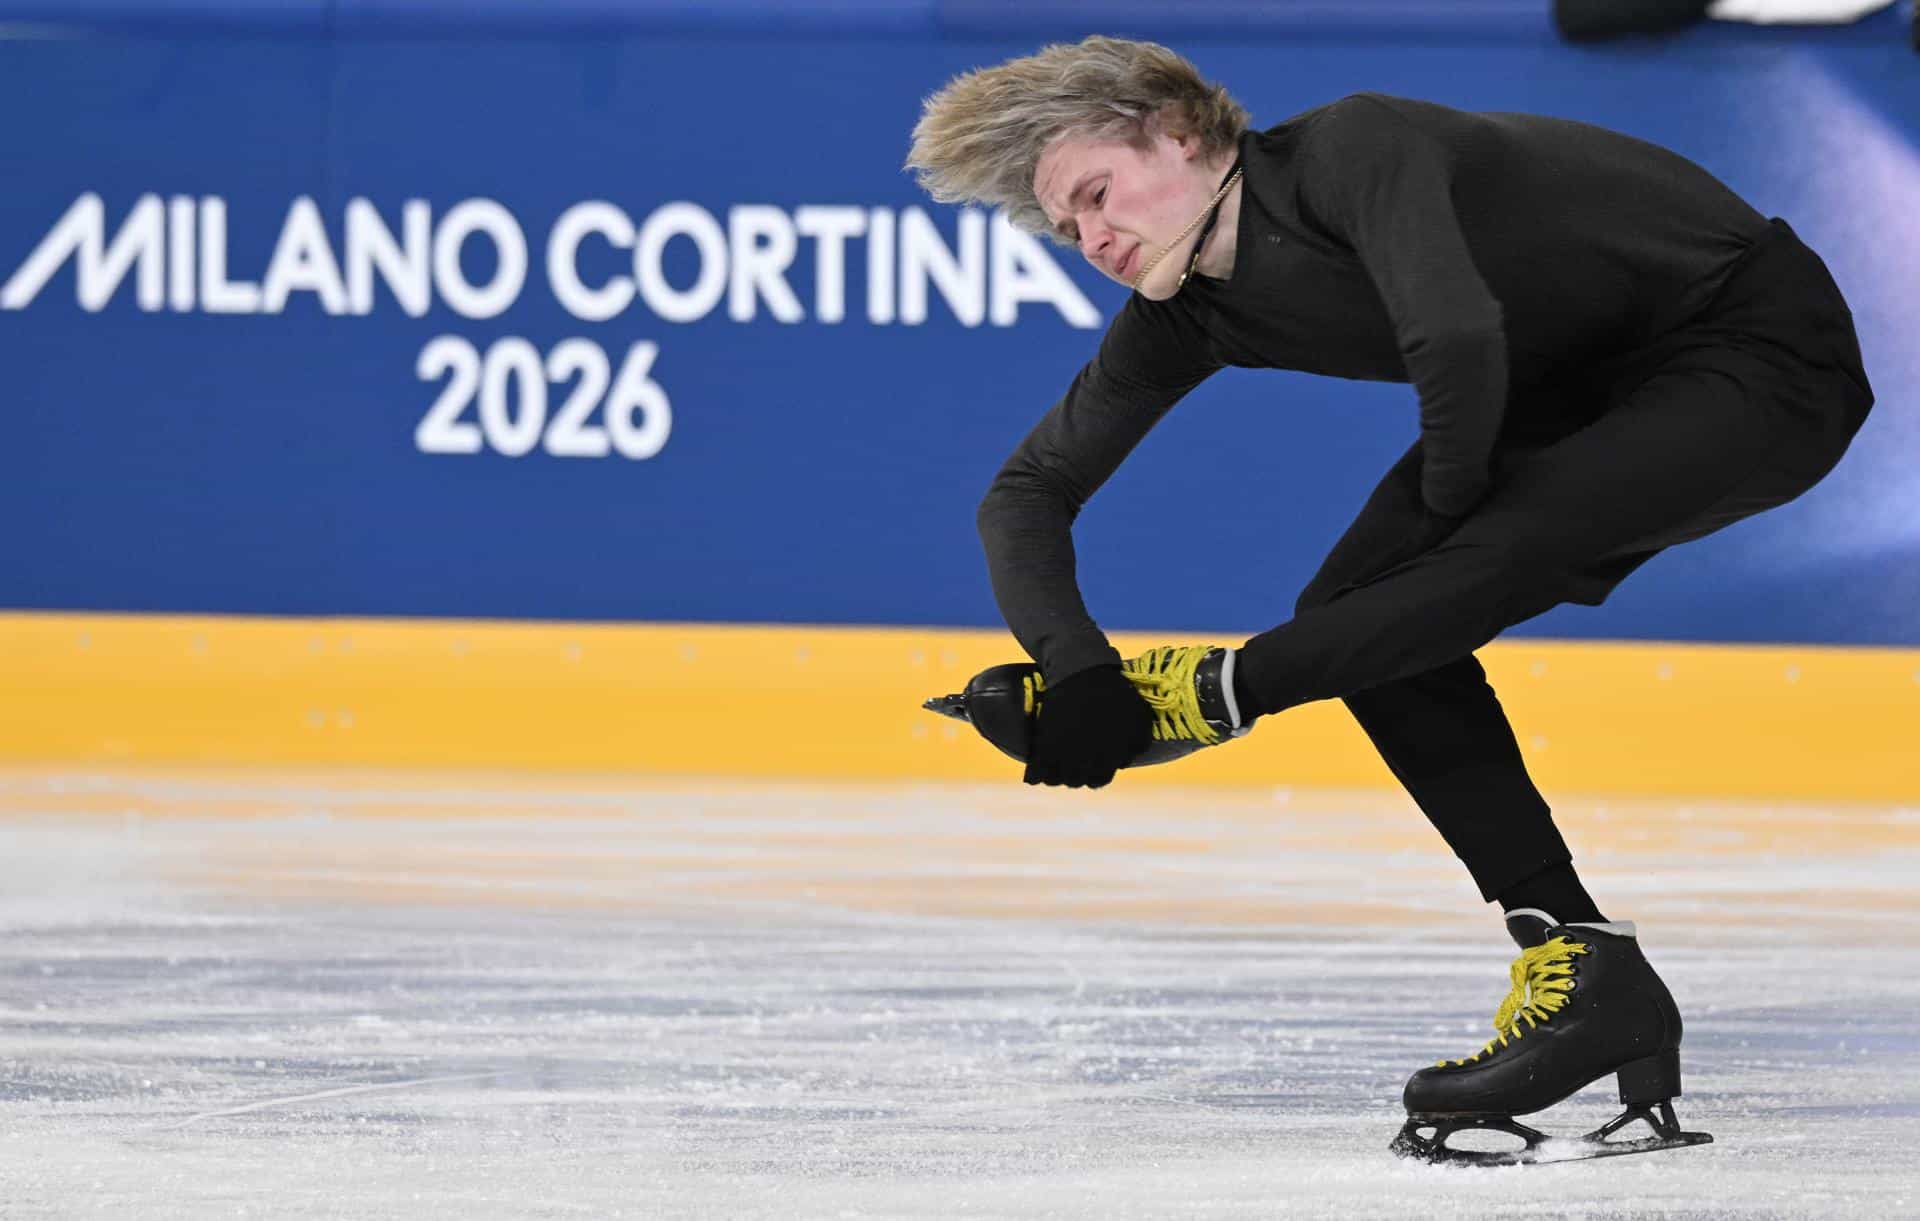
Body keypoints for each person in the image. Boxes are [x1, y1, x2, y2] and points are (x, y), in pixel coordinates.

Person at [907, 36, 1873, 1163]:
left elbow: (1454, 331)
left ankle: (1216, 697)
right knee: (1363, 611)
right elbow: (1027, 492)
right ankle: (1586, 963)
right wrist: (1078, 672)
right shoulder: (1189, 309)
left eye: (1095, 195)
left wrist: (1236, 682)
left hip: (1751, 341)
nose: (1092, 240)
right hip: (1559, 388)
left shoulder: (1352, 147)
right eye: (1067, 228)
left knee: (1412, 597)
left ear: (1177, 132)